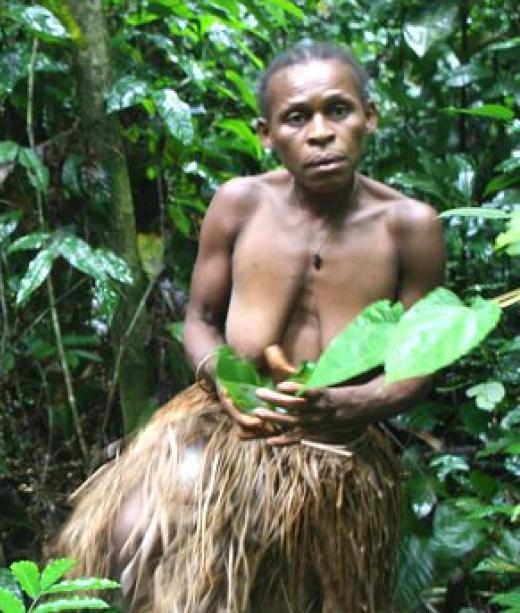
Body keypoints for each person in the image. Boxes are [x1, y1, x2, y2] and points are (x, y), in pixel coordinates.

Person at [55, 42, 445, 612]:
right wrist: (227, 382)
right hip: (222, 428)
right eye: (297, 117)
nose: (320, 133)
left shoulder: (410, 227)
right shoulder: (240, 204)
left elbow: (420, 365)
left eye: (338, 110)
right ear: (266, 133)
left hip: (335, 454)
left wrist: (354, 404)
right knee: (132, 536)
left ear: (370, 116)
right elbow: (199, 320)